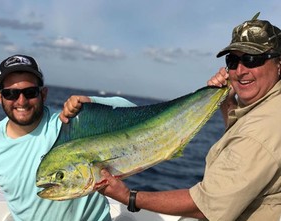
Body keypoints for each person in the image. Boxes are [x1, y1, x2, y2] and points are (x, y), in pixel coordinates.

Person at [97, 14, 281, 220]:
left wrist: (127, 196)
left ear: (278, 63)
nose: (240, 70)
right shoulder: (268, 106)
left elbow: (207, 206)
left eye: (252, 59)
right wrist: (227, 101)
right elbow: (240, 133)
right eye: (233, 60)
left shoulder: (264, 128)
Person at [0, 54, 136, 221]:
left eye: (30, 92)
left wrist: (90, 101)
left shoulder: (70, 124)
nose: (21, 101)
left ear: (43, 94)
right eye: (11, 94)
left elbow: (132, 110)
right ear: (0, 97)